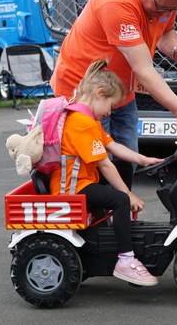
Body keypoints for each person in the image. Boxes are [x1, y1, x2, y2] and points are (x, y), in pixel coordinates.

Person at [50, 0, 177, 156]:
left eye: (173, 8)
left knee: (127, 162)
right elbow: (143, 68)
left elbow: (165, 30)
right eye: (160, 7)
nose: (164, 12)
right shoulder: (117, 3)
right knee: (96, 167)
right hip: (85, 93)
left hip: (120, 92)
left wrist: (175, 50)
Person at [50, 59, 164, 286]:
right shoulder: (82, 124)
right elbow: (104, 165)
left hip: (80, 180)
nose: (110, 112)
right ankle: (125, 260)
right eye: (111, 106)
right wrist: (129, 196)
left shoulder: (86, 120)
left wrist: (144, 160)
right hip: (72, 187)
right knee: (120, 199)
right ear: (99, 94)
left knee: (123, 166)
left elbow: (115, 148)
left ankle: (116, 228)